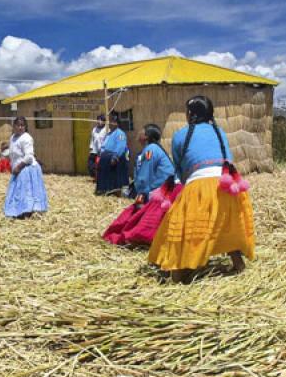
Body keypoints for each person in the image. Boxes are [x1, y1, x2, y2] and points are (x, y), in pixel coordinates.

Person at [148, 96, 255, 283]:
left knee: (185, 229)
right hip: (227, 187)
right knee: (225, 224)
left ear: (190, 114)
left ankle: (179, 272)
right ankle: (238, 264)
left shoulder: (180, 135)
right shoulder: (219, 131)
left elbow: (181, 172)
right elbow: (228, 161)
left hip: (198, 187)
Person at [103, 124, 180, 247]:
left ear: (146, 136)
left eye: (141, 131)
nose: (138, 133)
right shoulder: (150, 149)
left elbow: (145, 177)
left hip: (162, 193)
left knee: (133, 218)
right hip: (160, 191)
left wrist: (141, 197)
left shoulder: (151, 150)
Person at [4, 116, 49, 219]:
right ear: (14, 126)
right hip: (19, 169)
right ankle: (19, 210)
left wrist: (18, 167)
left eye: (22, 125)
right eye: (18, 125)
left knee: (27, 191)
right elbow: (13, 152)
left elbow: (29, 156)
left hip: (27, 169)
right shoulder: (13, 138)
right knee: (18, 191)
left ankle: (28, 211)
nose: (20, 127)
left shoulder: (26, 138)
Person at [95, 112, 130, 195]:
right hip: (105, 158)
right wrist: (101, 153)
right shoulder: (109, 134)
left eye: (111, 122)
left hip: (113, 158)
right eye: (109, 122)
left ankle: (113, 190)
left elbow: (120, 146)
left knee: (115, 176)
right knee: (104, 174)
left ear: (116, 123)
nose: (109, 123)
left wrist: (115, 157)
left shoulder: (120, 134)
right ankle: (104, 189)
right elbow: (104, 145)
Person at [88, 114, 107, 179]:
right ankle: (94, 176)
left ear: (103, 121)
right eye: (98, 120)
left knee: (101, 165)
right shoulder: (94, 129)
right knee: (90, 164)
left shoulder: (106, 130)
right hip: (94, 150)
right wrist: (91, 147)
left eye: (100, 120)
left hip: (102, 151)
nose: (98, 121)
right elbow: (92, 139)